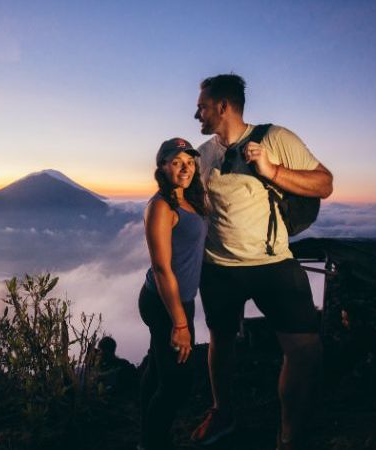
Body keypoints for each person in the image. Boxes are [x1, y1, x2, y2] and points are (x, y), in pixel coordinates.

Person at [190, 73, 333, 450]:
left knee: (304, 349)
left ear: (223, 106)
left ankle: (289, 436)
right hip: (218, 268)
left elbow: (324, 184)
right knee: (221, 340)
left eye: (202, 106)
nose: (196, 114)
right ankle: (223, 413)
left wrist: (273, 171)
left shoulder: (274, 138)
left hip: (273, 265)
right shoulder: (204, 155)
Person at [139, 137, 208, 450]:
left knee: (159, 368)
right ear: (163, 166)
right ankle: (152, 443)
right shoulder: (161, 207)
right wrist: (180, 324)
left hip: (180, 301)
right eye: (178, 162)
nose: (186, 168)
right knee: (177, 384)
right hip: (166, 304)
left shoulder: (187, 200)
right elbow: (162, 267)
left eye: (190, 162)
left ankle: (144, 421)